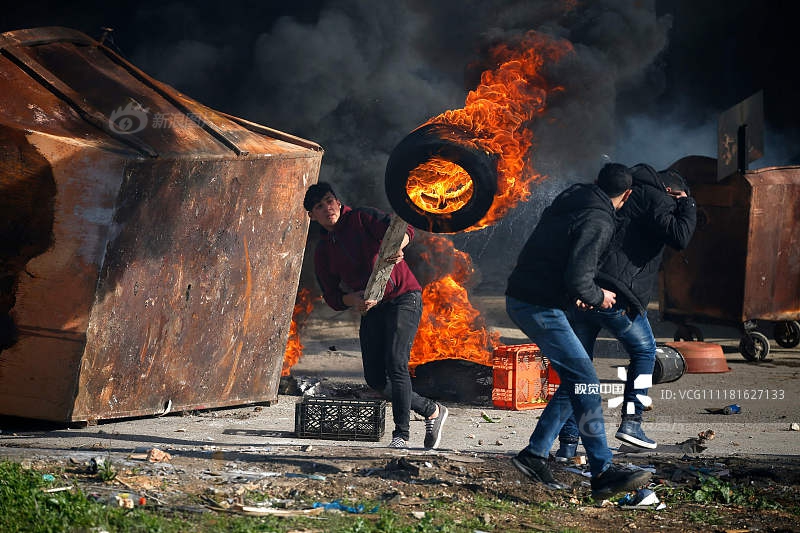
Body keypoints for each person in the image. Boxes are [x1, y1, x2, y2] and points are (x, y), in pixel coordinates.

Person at [505, 162, 652, 499]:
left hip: (530, 297)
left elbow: (559, 258)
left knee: (577, 378)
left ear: (596, 180)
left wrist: (577, 294)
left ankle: (535, 454)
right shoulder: (599, 219)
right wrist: (597, 295)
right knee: (585, 378)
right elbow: (578, 276)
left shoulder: (575, 198)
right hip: (537, 305)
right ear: (627, 195)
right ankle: (603, 472)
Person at [555, 164, 696, 458]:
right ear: (671, 189)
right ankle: (632, 422)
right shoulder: (659, 200)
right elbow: (681, 236)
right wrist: (686, 203)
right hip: (617, 295)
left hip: (583, 290)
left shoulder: (613, 196)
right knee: (645, 353)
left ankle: (568, 443)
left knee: (579, 371)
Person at [303, 182, 448, 450]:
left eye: (329, 201)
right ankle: (431, 410)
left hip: (403, 297)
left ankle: (401, 435)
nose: (327, 209)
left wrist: (398, 246)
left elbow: (404, 230)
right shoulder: (323, 250)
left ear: (337, 201)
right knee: (375, 379)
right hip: (371, 307)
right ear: (312, 216)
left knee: (396, 363)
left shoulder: (361, 217)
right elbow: (332, 296)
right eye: (319, 207)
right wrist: (352, 299)